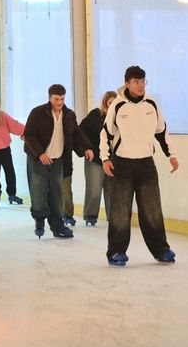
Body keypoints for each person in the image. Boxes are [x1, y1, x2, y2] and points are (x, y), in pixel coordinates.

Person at [100, 67, 179, 266]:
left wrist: (172, 155)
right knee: (120, 211)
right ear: (127, 84)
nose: (140, 85)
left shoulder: (152, 104)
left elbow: (162, 131)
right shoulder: (117, 106)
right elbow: (106, 134)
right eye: (135, 82)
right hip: (122, 164)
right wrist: (105, 158)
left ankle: (162, 250)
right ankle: (116, 252)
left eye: (143, 81)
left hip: (146, 164)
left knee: (152, 210)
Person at [23, 84, 93, 239]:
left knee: (56, 195)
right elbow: (29, 135)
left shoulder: (69, 115)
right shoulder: (38, 113)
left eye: (62, 98)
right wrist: (40, 153)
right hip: (38, 160)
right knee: (38, 191)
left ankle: (58, 227)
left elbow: (76, 134)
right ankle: (39, 221)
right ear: (49, 97)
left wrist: (87, 147)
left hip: (58, 161)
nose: (59, 102)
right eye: (56, 99)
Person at [79, 91, 117, 226]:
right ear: (106, 103)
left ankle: (113, 217)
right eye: (110, 102)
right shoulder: (96, 114)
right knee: (94, 189)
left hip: (113, 159)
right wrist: (87, 148)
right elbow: (81, 130)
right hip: (95, 158)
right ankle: (90, 215)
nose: (112, 105)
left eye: (114, 102)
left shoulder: (120, 117)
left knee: (112, 189)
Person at [61, 152, 76, 227]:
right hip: (47, 163)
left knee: (66, 192)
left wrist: (86, 148)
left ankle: (68, 215)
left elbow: (76, 141)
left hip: (65, 165)